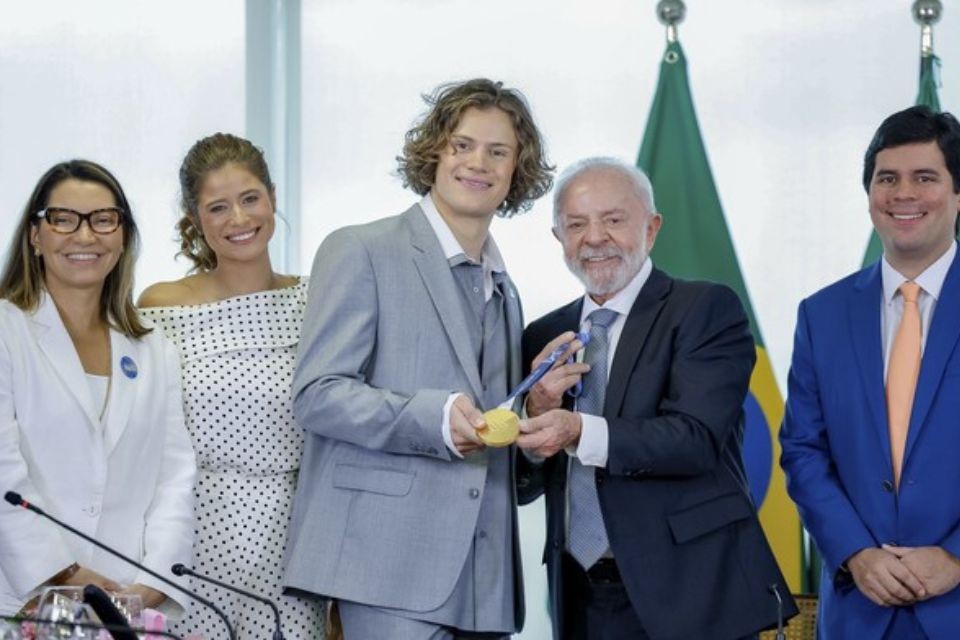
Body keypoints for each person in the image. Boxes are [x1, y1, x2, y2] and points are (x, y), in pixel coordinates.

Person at [283, 78, 553, 639]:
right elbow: (317, 394)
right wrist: (434, 417)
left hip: (486, 586)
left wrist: (535, 413)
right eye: (462, 145)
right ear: (434, 152)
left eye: (498, 152)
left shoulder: (505, 288)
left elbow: (492, 429)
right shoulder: (361, 249)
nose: (478, 163)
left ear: (516, 170)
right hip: (385, 568)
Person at [518, 157, 795, 640]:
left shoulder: (705, 309)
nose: (595, 237)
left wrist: (578, 430)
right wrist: (538, 412)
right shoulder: (543, 334)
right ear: (558, 237)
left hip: (692, 591)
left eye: (613, 219)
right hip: (579, 595)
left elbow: (695, 439)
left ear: (652, 227)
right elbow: (524, 485)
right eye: (576, 224)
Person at [780, 106, 960, 639]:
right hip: (859, 607)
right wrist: (856, 552)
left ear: (957, 193)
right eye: (887, 179)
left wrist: (955, 558)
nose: (903, 194)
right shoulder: (822, 315)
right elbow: (803, 451)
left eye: (924, 177)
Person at [138, 133, 324, 639]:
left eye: (249, 199)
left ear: (273, 198)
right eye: (218, 207)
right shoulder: (162, 305)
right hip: (191, 529)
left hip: (293, 534)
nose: (238, 219)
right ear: (194, 218)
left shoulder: (317, 300)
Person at [0, 160, 195, 616]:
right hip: (22, 597)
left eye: (104, 220)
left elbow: (174, 478)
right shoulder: (7, 331)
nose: (85, 236)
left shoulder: (154, 348)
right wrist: (62, 573)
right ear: (35, 235)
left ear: (123, 236)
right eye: (63, 219)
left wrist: (153, 583)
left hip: (126, 603)